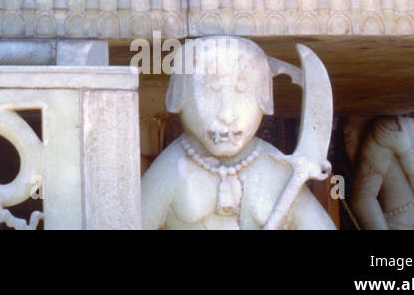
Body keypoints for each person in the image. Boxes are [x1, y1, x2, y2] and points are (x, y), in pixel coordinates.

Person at [141, 36, 335, 229]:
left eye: (241, 88)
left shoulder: (274, 166)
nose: (227, 114)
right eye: (212, 89)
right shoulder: (172, 168)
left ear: (264, 97)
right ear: (179, 95)